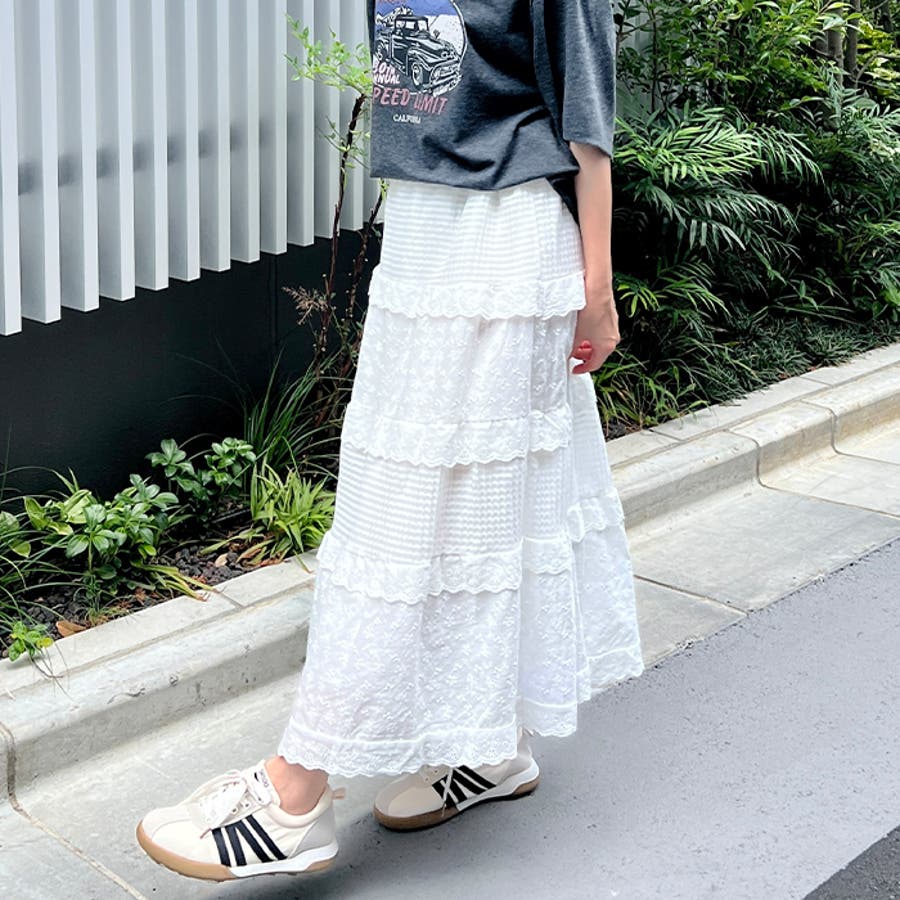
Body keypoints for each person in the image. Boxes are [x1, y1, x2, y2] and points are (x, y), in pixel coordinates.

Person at [135, 0, 644, 882]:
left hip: (504, 240)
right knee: (451, 507)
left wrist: (596, 291)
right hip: (421, 237)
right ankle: (494, 748)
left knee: (409, 520)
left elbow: (588, 124)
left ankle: (297, 793)